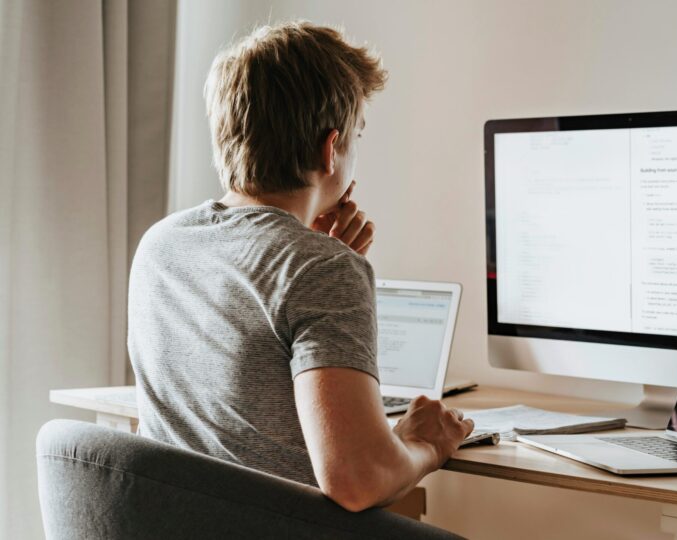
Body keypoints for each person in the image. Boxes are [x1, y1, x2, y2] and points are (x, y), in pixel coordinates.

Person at [128, 21, 474, 513]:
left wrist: (316, 255)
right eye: (356, 135)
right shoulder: (321, 269)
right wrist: (426, 445)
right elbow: (356, 481)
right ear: (330, 149)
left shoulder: (160, 245)